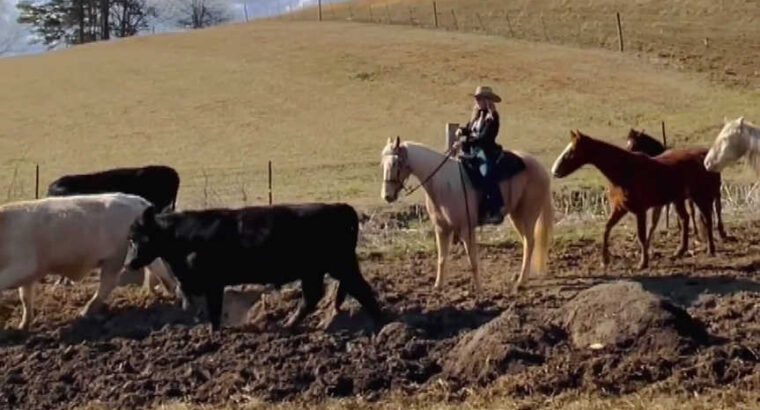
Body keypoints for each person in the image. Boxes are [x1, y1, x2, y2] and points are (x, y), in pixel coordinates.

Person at [453, 86, 505, 225]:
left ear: (487, 100)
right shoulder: (476, 116)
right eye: (476, 98)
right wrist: (461, 131)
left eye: (480, 98)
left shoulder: (493, 117)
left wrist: (467, 140)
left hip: (485, 150)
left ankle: (495, 210)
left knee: (486, 173)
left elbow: (485, 137)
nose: (477, 101)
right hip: (472, 149)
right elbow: (470, 129)